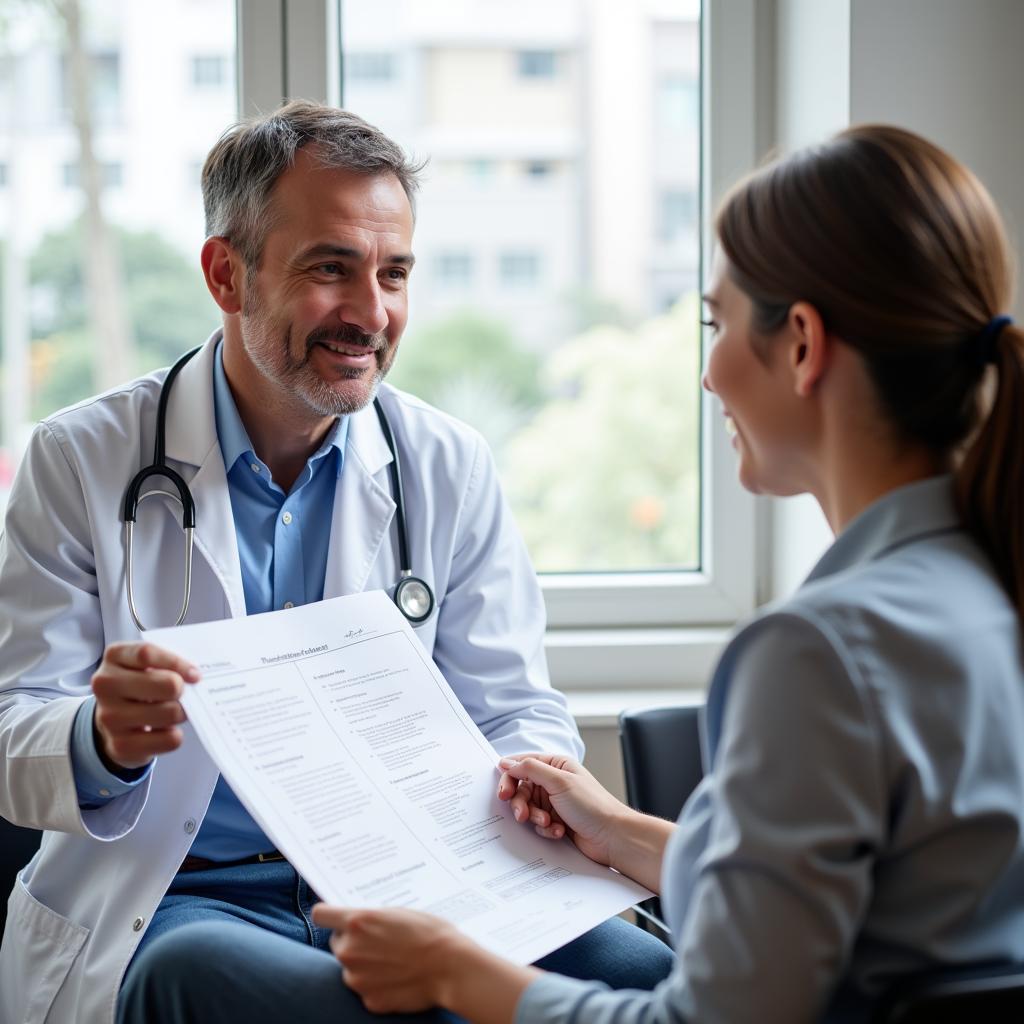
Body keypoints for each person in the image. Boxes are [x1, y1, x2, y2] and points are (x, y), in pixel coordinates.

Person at [312, 123, 1024, 1023]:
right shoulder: (986, 591)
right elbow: (883, 912)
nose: (709, 374)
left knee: (196, 978)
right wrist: (621, 833)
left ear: (802, 345)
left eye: (717, 323)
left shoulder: (818, 653)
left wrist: (455, 971)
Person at [0, 102, 673, 1024]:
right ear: (227, 275)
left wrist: (530, 767)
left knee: (648, 980)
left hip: (416, 880)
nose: (371, 314)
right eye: (331, 269)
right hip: (185, 893)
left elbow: (513, 702)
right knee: (204, 975)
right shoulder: (82, 459)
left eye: (394, 273)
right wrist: (101, 740)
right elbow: (11, 725)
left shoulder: (448, 462)